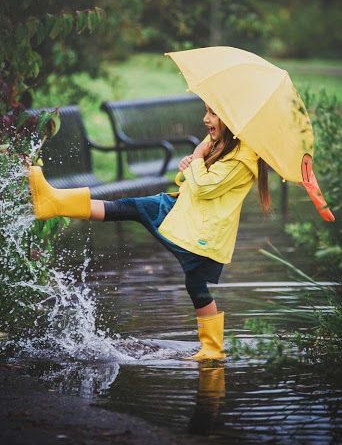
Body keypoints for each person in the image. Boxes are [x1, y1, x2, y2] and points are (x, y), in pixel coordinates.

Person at [28, 103, 271, 361]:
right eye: (206, 111)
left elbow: (205, 188)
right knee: (130, 206)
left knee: (196, 283)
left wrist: (197, 158)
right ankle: (54, 202)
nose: (205, 119)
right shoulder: (221, 139)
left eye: (212, 113)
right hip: (182, 208)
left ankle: (212, 349)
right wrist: (192, 162)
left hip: (201, 228)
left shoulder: (243, 159)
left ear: (230, 117)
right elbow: (197, 179)